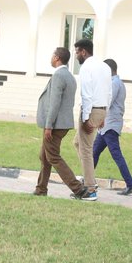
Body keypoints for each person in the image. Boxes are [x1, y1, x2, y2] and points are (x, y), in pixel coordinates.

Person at [34, 47, 87, 199]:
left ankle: (78, 189)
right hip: (63, 123)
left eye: (52, 55)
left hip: (55, 124)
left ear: (57, 58)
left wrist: (49, 125)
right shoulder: (70, 76)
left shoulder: (59, 75)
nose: (51, 58)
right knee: (44, 156)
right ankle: (41, 188)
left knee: (53, 157)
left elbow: (55, 102)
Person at [92, 58, 132, 195]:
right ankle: (88, 181)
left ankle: (131, 185)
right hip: (106, 125)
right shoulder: (116, 83)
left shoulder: (114, 83)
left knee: (116, 155)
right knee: (94, 153)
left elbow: (106, 102)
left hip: (110, 125)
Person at [72, 37, 111, 200]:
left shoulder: (86, 67)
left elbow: (86, 94)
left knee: (86, 150)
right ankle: (90, 179)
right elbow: (109, 92)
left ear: (83, 51)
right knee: (77, 143)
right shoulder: (105, 66)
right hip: (101, 109)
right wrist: (104, 115)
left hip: (90, 110)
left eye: (77, 52)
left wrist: (87, 118)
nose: (76, 56)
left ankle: (90, 188)